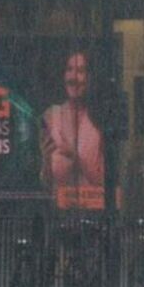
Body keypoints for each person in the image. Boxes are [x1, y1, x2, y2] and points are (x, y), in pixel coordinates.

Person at [39, 50, 105, 210]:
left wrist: (75, 157)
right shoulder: (51, 116)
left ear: (90, 78)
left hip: (95, 214)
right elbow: (46, 184)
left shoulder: (101, 119)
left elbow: (106, 182)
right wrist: (46, 160)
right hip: (60, 214)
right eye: (69, 69)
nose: (73, 77)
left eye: (80, 71)